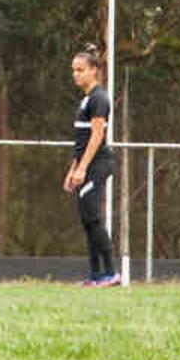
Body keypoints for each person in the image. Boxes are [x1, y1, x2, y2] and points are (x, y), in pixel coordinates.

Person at [64, 47, 117, 286]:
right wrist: (73, 169)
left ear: (94, 71)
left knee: (93, 217)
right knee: (87, 218)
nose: (76, 74)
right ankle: (95, 275)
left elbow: (97, 136)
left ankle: (111, 273)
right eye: (74, 70)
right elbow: (82, 141)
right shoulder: (86, 99)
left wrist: (84, 168)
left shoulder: (99, 98)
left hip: (98, 164)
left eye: (81, 70)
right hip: (86, 165)